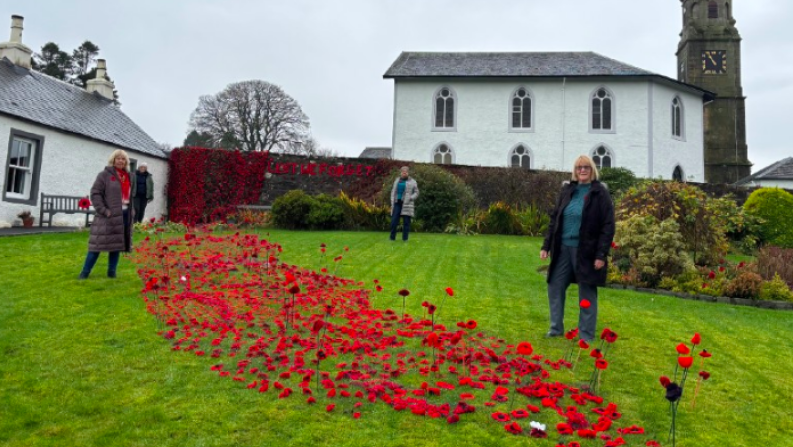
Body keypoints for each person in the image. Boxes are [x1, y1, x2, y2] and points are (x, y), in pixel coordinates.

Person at [540, 155, 615, 342]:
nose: (582, 170)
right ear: (575, 170)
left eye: (586, 167)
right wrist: (546, 246)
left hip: (587, 252)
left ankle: (586, 335)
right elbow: (555, 219)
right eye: (579, 167)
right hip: (563, 249)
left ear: (592, 170)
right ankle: (556, 328)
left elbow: (608, 226)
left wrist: (601, 255)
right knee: (555, 286)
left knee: (587, 292)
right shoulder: (568, 190)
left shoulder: (600, 193)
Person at [79, 150, 134, 279]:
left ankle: (111, 273)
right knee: (97, 245)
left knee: (116, 245)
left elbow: (132, 196)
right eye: (118, 158)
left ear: (126, 161)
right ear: (113, 160)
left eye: (123, 159)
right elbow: (95, 193)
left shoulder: (130, 176)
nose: (120, 161)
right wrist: (104, 210)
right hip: (107, 216)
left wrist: (133, 211)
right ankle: (85, 273)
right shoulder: (104, 175)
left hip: (124, 214)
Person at [389, 166, 419, 241]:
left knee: (406, 222)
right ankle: (392, 238)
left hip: (407, 204)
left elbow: (416, 192)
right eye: (403, 172)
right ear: (401, 172)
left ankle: (405, 239)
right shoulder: (397, 180)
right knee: (394, 221)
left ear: (408, 173)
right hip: (397, 203)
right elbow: (393, 191)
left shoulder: (413, 181)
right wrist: (392, 199)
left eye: (405, 172)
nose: (404, 174)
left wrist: (411, 198)